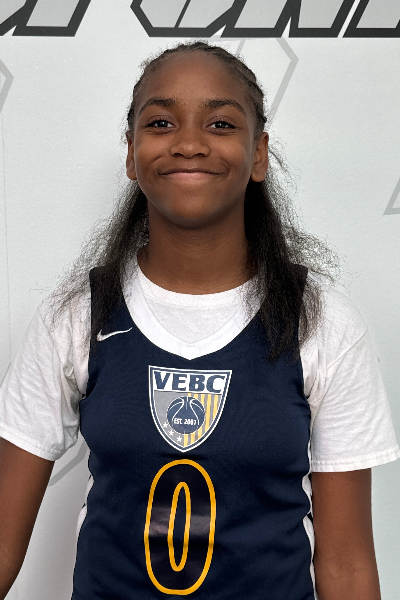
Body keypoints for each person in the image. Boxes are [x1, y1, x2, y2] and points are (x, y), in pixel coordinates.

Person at [0, 41, 399, 600]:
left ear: (258, 154)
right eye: (161, 123)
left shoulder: (321, 320)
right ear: (131, 153)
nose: (189, 143)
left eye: (221, 124)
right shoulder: (77, 315)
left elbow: (347, 565)